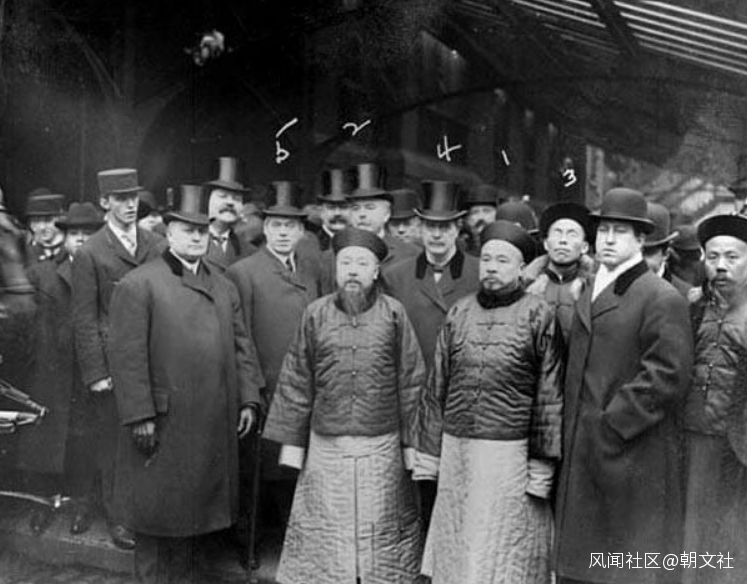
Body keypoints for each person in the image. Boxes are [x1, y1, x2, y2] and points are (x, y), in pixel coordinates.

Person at [108, 184, 262, 584]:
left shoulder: (223, 285)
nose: (197, 238)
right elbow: (126, 358)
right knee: (156, 518)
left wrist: (248, 398)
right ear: (169, 233)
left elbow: (242, 345)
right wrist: (140, 415)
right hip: (164, 421)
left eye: (202, 231)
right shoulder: (140, 283)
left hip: (211, 419)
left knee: (195, 522)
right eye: (187, 230)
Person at [263, 227, 424, 584]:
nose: (353, 271)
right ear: (336, 270)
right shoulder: (316, 314)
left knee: (382, 524)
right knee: (326, 524)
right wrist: (293, 444)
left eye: (362, 264)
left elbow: (411, 381)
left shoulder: (394, 314)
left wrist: (411, 444)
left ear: (375, 271)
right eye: (346, 263)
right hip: (327, 444)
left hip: (381, 444)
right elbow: (297, 377)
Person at [554, 188, 694, 584]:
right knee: (582, 567)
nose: (609, 240)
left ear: (641, 239)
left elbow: (668, 374)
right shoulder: (591, 286)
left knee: (621, 567)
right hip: (585, 450)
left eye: (621, 232)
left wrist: (611, 424)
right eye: (604, 230)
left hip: (630, 454)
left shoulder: (659, 296)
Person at [414, 220, 563, 584]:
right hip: (458, 449)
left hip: (508, 454)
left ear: (521, 268)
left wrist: (540, 468)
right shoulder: (459, 312)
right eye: (487, 260)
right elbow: (437, 386)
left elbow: (549, 396)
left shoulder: (539, 314)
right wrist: (429, 455)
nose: (492, 268)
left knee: (502, 544)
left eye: (503, 261)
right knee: (459, 537)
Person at [72, 168, 166, 550]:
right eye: (121, 198)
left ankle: (151, 513)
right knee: (115, 444)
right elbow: (84, 319)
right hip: (113, 366)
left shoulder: (156, 243)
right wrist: (96, 373)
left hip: (154, 357)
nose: (130, 205)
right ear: (104, 202)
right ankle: (120, 519)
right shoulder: (91, 252)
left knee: (154, 438)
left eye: (134, 197)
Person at [226, 180, 323, 553]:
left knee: (291, 469)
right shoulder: (245, 272)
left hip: (303, 391)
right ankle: (249, 545)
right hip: (267, 390)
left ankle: (292, 543)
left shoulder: (310, 270)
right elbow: (241, 338)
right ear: (265, 228)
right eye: (276, 225)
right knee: (257, 474)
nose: (283, 233)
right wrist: (251, 393)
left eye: (291, 226)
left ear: (301, 232)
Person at [17, 202, 104, 536]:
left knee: (84, 441)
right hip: (49, 372)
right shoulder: (41, 274)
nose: (80, 239)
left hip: (90, 374)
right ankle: (42, 503)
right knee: (46, 439)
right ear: (64, 237)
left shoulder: (107, 272)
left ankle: (81, 504)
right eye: (74, 233)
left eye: (88, 233)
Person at [682, 214, 747, 584]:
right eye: (713, 257)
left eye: (732, 257)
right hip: (695, 440)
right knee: (693, 536)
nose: (721, 266)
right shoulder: (692, 309)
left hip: (739, 448)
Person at [525, 202, 594, 344]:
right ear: (546, 244)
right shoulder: (526, 285)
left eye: (572, 235)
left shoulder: (594, 287)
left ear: (584, 247)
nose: (563, 241)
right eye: (557, 233)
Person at [348, 162, 419, 267]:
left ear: (386, 214)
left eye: (370, 207)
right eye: (356, 208)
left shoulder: (411, 254)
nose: (362, 214)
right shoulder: (336, 253)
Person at [203, 156, 257, 271]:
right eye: (222, 196)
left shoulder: (250, 252)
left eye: (236, 198)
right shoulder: (188, 244)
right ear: (208, 200)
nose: (230, 203)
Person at [643, 202, 691, 296]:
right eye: (632, 253)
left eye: (648, 253)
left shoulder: (686, 297)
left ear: (666, 253)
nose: (638, 261)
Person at [25, 190, 66, 263]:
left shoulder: (71, 251)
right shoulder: (26, 255)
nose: (42, 227)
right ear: (31, 225)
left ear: (60, 219)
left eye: (48, 220)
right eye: (36, 221)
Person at [315, 168, 350, 251]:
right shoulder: (309, 244)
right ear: (320, 212)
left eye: (344, 207)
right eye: (331, 208)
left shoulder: (363, 244)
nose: (337, 213)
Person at [460, 183, 500, 255]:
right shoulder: (459, 248)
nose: (481, 217)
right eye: (475, 212)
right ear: (467, 219)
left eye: (487, 211)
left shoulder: (506, 245)